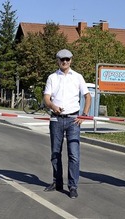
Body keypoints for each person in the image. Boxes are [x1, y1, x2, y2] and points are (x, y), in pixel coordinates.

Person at [42, 49, 91, 199]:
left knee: (74, 154)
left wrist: (84, 114)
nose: (65, 62)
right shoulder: (52, 77)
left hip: (73, 120)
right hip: (56, 119)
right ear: (57, 60)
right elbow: (46, 98)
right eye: (62, 59)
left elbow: (87, 96)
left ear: (71, 60)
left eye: (67, 59)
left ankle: (73, 186)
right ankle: (57, 182)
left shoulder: (77, 77)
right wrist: (53, 107)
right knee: (55, 153)